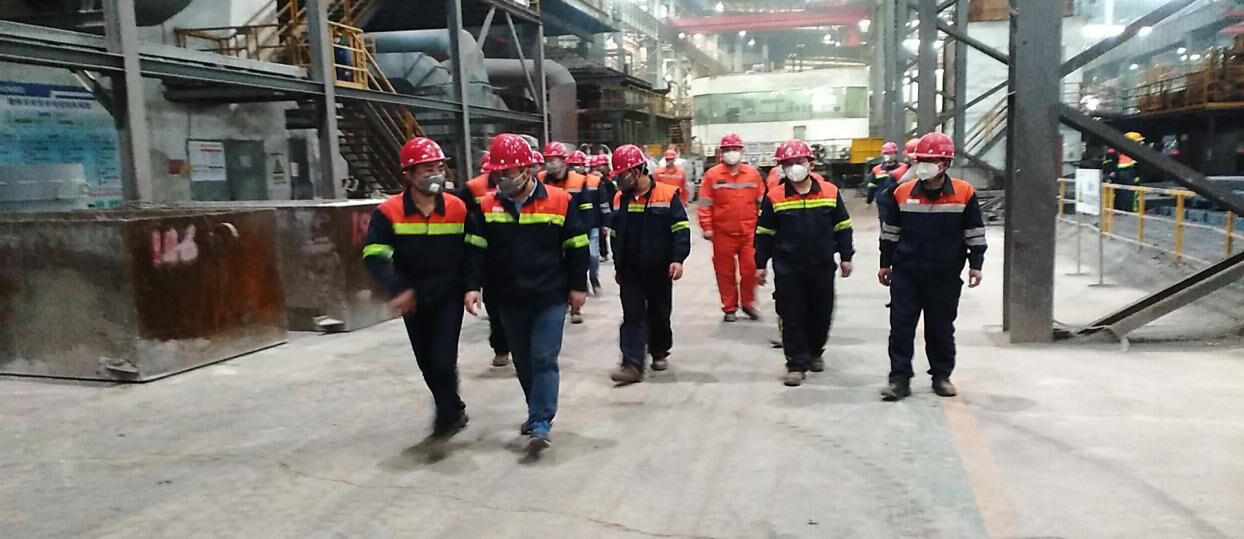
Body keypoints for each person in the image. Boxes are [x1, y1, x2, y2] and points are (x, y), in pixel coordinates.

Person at [464, 133, 590, 451]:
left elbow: (577, 245)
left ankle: (541, 422)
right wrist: (472, 286)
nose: (502, 179)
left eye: (507, 172)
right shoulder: (488, 205)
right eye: (498, 173)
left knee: (543, 357)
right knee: (522, 360)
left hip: (549, 295)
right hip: (508, 297)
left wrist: (578, 286)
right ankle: (536, 411)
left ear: (526, 169)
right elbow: (475, 249)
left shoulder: (560, 201)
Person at [362, 137, 478, 438]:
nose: (436, 175)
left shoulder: (457, 207)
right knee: (427, 363)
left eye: (439, 168)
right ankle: (453, 407)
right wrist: (398, 287)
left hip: (448, 295)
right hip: (412, 298)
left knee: (443, 359)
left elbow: (473, 249)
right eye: (427, 170)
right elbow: (374, 254)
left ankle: (446, 416)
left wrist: (471, 286)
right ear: (409, 174)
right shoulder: (389, 212)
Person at [877, 132, 987, 401]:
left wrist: (976, 264)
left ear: (945, 164)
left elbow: (974, 231)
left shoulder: (963, 192)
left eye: (930, 161)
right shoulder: (902, 192)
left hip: (944, 275)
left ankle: (941, 376)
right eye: (921, 160)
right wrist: (885, 263)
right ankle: (899, 379)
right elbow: (890, 232)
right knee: (901, 328)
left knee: (940, 328)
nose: (923, 166)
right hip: (907, 274)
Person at [755, 140, 854, 387]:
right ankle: (796, 363)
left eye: (799, 161)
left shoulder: (830, 192)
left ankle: (815, 351)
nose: (794, 167)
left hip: (822, 264)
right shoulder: (775, 196)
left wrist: (846, 256)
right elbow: (764, 232)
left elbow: (842, 226)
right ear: (781, 167)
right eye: (788, 163)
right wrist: (760, 264)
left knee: (822, 311)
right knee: (791, 314)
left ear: (811, 163)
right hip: (788, 267)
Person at [606, 145, 691, 384]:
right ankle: (632, 363)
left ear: (637, 171)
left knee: (659, 313)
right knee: (632, 314)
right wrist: (618, 266)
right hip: (630, 270)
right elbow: (615, 234)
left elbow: (680, 229)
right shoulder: (619, 198)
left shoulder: (667, 194)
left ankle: (659, 350)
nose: (619, 179)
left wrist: (677, 259)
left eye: (622, 174)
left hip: (659, 268)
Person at [698, 133, 766, 322]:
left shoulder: (752, 174)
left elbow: (763, 202)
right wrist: (707, 227)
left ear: (741, 151)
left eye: (735, 149)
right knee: (724, 272)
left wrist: (765, 227)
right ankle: (729, 308)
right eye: (728, 150)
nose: (731, 153)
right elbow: (704, 204)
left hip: (749, 231)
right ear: (721, 153)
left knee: (751, 269)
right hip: (722, 232)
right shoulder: (713, 175)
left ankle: (748, 303)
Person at [461, 151, 511, 368]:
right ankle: (501, 347)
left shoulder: (525, 185)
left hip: (519, 256)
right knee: (496, 311)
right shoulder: (473, 188)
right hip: (491, 261)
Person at [539, 142, 592, 324]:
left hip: (573, 231)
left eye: (553, 159)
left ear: (563, 161)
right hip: (549, 233)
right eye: (547, 159)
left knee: (576, 266)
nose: (550, 163)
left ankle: (575, 308)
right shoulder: (540, 179)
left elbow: (586, 209)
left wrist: (583, 234)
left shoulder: (578, 181)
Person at [577, 151, 609, 294]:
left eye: (579, 164)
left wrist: (606, 223)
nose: (576, 168)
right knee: (578, 258)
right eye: (573, 165)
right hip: (575, 227)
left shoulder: (595, 182)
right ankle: (582, 283)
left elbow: (603, 203)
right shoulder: (568, 183)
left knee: (593, 256)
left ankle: (594, 278)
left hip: (594, 225)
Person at [589, 153, 616, 263]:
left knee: (603, 232)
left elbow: (612, 196)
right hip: (596, 210)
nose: (599, 168)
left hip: (608, 209)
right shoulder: (591, 181)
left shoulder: (608, 181)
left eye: (603, 165)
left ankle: (604, 252)